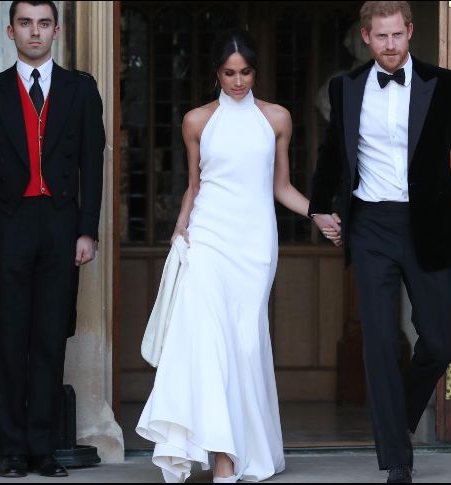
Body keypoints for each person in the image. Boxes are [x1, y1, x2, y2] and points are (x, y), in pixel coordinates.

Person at [136, 29, 335, 484]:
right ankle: (222, 455)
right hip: (208, 238)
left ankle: (246, 448)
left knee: (245, 345)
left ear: (255, 72)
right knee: (208, 340)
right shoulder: (197, 121)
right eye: (229, 73)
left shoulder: (277, 118)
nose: (238, 81)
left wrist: (319, 214)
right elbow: (194, 185)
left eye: (245, 72)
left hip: (255, 245)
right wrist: (181, 226)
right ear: (216, 73)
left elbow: (280, 186)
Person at [308, 2, 451, 482]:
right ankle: (396, 458)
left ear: (410, 32)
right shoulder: (345, 87)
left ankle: (398, 421)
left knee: (438, 340)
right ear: (366, 37)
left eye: (398, 35)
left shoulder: (445, 84)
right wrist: (319, 206)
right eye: (381, 37)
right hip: (370, 225)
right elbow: (332, 152)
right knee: (380, 342)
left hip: (428, 225)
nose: (391, 45)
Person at [0, 0, 105, 478]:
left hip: (62, 226)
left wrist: (87, 229)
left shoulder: (81, 90)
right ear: (10, 31)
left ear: (57, 31)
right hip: (7, 225)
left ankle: (43, 450)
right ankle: (11, 450)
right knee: (8, 337)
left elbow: (93, 165)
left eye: (44, 23)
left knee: (49, 338)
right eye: (26, 23)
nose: (35, 32)